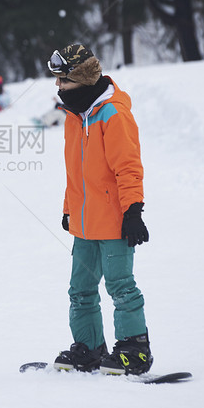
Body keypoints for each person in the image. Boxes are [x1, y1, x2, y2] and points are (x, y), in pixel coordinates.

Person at [47, 44, 153, 376]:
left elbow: (128, 168)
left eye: (64, 81)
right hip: (83, 224)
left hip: (114, 222)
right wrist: (69, 209)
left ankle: (134, 350)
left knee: (121, 287)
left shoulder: (112, 114)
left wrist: (133, 210)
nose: (58, 87)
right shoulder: (74, 117)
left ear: (81, 79)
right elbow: (75, 172)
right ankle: (90, 348)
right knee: (80, 291)